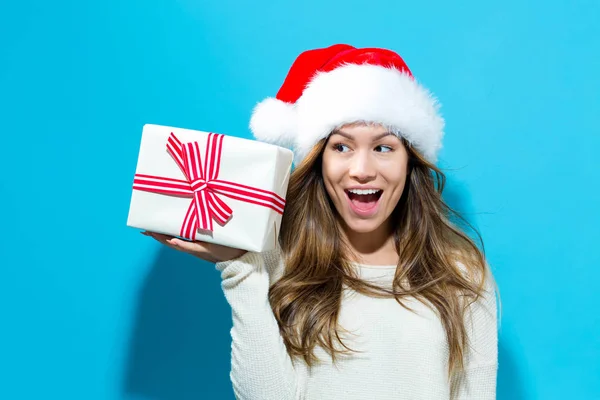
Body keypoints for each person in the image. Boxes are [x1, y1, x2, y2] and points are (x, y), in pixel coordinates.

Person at [143, 43, 500, 399]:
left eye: (383, 148)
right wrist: (240, 268)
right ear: (318, 161)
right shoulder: (278, 259)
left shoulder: (462, 274)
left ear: (410, 162)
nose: (361, 171)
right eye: (341, 147)